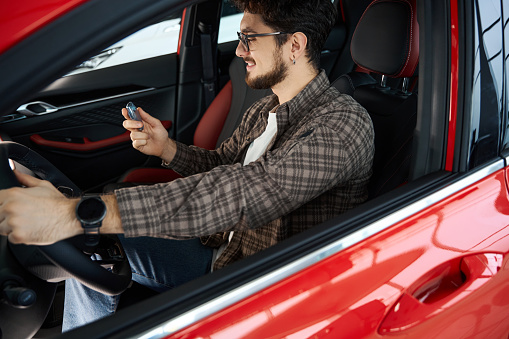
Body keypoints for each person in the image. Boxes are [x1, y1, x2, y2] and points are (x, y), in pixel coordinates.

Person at [0, 0, 374, 331]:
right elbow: (224, 164)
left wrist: (79, 214)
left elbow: (245, 192)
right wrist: (167, 149)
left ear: (294, 45)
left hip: (257, 282)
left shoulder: (342, 124)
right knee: (94, 247)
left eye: (250, 38)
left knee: (88, 232)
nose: (240, 50)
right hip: (221, 250)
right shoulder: (266, 108)